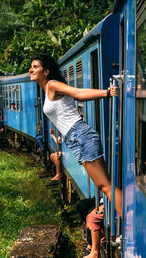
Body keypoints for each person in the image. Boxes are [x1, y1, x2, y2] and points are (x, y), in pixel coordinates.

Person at [29, 54, 123, 215]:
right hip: (77, 138)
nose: (31, 70)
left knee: (105, 186)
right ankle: (127, 226)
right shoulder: (47, 90)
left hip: (80, 136)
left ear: (46, 72)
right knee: (105, 185)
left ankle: (130, 229)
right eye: (31, 67)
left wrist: (107, 93)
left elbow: (78, 93)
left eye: (36, 67)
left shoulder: (52, 85)